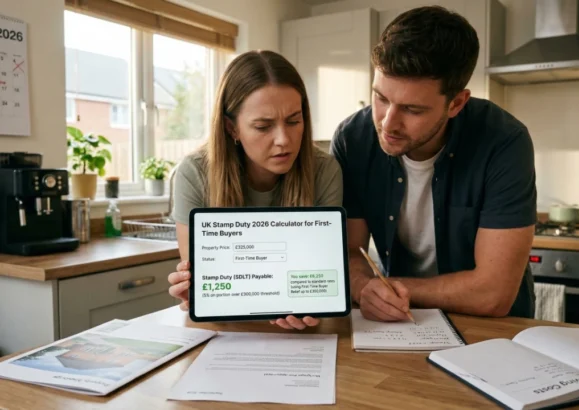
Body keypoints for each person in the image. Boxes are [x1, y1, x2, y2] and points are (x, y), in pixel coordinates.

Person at [330, 6, 537, 322]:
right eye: (381, 98)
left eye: (412, 109)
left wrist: (388, 288)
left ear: (456, 103)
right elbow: (349, 252)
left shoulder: (504, 142)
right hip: (399, 320)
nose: (387, 123)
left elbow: (493, 294)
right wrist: (363, 287)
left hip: (490, 327)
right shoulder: (352, 140)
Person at [167, 50, 343, 330]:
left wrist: (314, 302)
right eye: (263, 126)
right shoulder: (194, 173)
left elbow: (320, 280)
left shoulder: (325, 171)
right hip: (226, 335)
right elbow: (206, 285)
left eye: (294, 121)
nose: (284, 140)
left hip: (302, 340)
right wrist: (196, 292)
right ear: (231, 127)